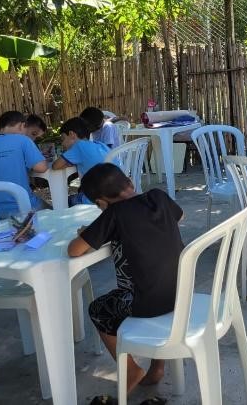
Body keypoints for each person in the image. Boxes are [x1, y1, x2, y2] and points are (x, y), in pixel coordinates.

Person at [67, 163, 185, 394]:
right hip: (181, 293)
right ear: (129, 182)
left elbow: (74, 250)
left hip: (144, 302)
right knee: (152, 285)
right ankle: (157, 367)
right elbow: (181, 216)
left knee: (99, 310)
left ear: (101, 203)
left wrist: (85, 233)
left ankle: (131, 370)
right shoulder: (158, 196)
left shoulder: (114, 214)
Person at [0, 111, 48, 216]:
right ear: (22, 126)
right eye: (33, 134)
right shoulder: (23, 140)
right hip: (20, 207)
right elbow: (42, 168)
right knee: (52, 208)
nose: (33, 139)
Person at [53, 117, 111, 205]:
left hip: (95, 200)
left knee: (65, 201)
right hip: (114, 195)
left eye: (63, 139)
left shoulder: (78, 146)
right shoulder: (100, 144)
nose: (62, 144)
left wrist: (67, 163)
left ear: (72, 134)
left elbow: (55, 166)